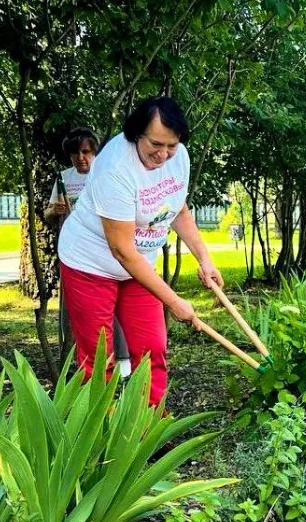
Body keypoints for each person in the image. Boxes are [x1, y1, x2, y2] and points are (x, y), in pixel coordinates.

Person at [57, 97, 223, 406]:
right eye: (156, 145)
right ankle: (100, 441)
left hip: (138, 268)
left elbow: (178, 210)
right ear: (136, 135)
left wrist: (205, 259)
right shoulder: (114, 167)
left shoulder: (178, 157)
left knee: (152, 349)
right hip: (90, 264)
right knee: (99, 356)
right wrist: (174, 302)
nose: (163, 155)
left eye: (171, 146)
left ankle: (149, 434)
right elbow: (121, 250)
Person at [45, 128, 132, 377]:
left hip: (105, 248)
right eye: (75, 153)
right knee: (80, 310)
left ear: (95, 152)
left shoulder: (103, 174)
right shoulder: (64, 178)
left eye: (86, 152)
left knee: (110, 306)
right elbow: (48, 214)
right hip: (75, 252)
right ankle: (83, 363)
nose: (81, 158)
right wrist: (56, 210)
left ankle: (122, 358)